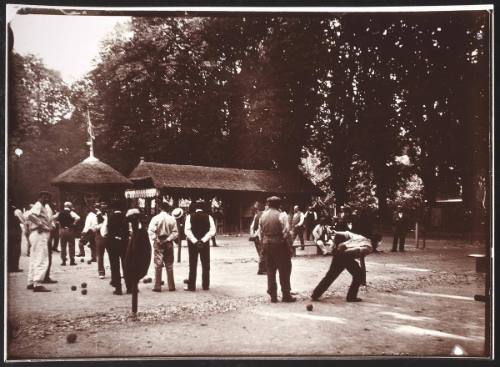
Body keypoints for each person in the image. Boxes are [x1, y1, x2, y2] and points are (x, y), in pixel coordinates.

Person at [311, 228, 373, 303]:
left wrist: (336, 232)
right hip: (345, 255)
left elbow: (347, 233)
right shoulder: (369, 247)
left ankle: (315, 294)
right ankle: (351, 297)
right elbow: (358, 252)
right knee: (359, 275)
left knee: (330, 275)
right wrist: (345, 252)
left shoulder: (360, 237)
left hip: (339, 252)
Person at [259, 196, 296, 303]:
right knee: (284, 269)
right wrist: (288, 245)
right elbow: (286, 231)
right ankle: (286, 295)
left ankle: (273, 295)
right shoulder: (282, 215)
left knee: (270, 270)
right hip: (279, 244)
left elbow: (260, 232)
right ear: (278, 205)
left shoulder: (263, 216)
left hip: (266, 244)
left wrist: (264, 244)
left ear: (269, 204)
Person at [25, 191, 55, 292]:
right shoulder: (38, 205)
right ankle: (37, 283)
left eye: (48, 197)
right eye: (45, 197)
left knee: (34, 258)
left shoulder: (42, 207)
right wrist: (41, 224)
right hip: (39, 234)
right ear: (40, 197)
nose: (47, 199)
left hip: (36, 234)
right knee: (41, 258)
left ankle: (31, 281)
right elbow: (30, 216)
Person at [184, 200, 216, 291]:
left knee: (192, 264)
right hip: (205, 244)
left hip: (192, 244)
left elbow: (187, 231)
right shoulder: (209, 217)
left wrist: (195, 241)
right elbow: (212, 231)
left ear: (195, 208)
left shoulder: (189, 217)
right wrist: (203, 240)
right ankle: (205, 285)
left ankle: (191, 286)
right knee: (206, 264)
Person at [148, 202, 178, 292]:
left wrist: (155, 239)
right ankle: (171, 286)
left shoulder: (155, 218)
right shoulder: (172, 219)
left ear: (160, 208)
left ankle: (157, 286)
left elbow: (150, 231)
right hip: (168, 242)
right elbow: (175, 232)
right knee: (169, 264)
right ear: (169, 209)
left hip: (159, 241)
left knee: (158, 264)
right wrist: (168, 239)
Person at [124, 208, 152, 295]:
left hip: (137, 250)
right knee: (130, 267)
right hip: (134, 249)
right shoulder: (138, 227)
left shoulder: (140, 228)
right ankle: (131, 286)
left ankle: (132, 286)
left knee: (133, 267)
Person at [105, 201, 129, 295]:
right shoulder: (125, 218)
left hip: (113, 244)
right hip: (124, 244)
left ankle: (118, 288)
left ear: (113, 209)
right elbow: (128, 231)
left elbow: (105, 232)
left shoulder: (110, 218)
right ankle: (129, 286)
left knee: (115, 266)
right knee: (126, 265)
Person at [56, 202, 80, 266]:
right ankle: (72, 260)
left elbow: (55, 218)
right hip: (70, 230)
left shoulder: (60, 213)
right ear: (69, 206)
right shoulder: (71, 213)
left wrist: (59, 223)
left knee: (63, 246)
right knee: (71, 245)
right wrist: (74, 223)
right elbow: (78, 217)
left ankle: (63, 261)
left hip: (62, 230)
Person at [249, 201, 266, 275]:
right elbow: (260, 228)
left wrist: (252, 235)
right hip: (260, 237)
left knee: (260, 253)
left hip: (256, 237)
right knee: (263, 253)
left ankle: (263, 268)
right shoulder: (263, 215)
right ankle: (261, 269)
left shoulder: (257, 215)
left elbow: (252, 226)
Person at [8, 203, 23, 273]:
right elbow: (21, 222)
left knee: (10, 251)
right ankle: (15, 267)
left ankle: (9, 266)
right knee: (16, 252)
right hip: (15, 235)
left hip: (9, 235)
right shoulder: (15, 218)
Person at [95, 203, 108, 279]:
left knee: (112, 255)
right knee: (100, 255)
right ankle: (101, 272)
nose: (104, 209)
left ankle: (115, 271)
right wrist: (103, 225)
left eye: (105, 208)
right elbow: (94, 227)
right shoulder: (95, 216)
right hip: (99, 236)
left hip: (108, 237)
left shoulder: (108, 216)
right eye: (102, 208)